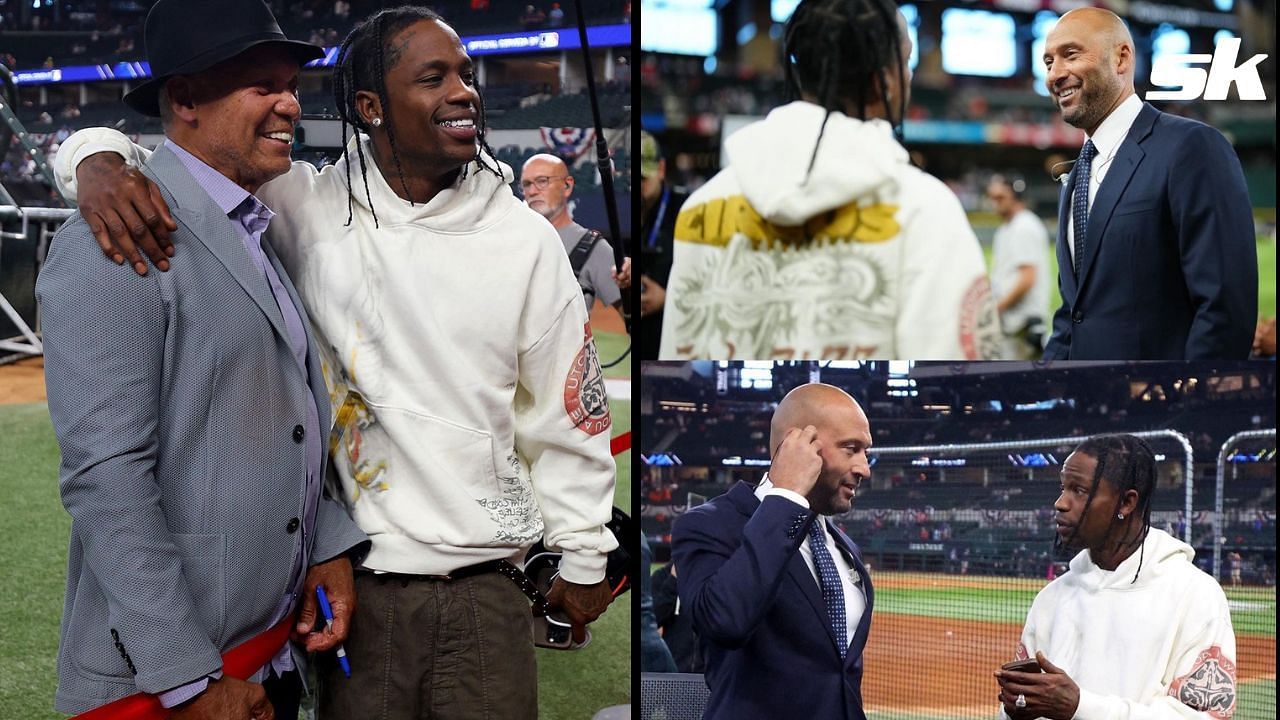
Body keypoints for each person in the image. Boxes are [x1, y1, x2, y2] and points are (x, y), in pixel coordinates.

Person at [54, 7, 619, 719]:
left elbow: (566, 410)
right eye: (434, 76)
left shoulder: (525, 241)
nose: (464, 92)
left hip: (487, 586)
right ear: (369, 106)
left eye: (468, 76)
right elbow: (184, 167)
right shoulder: (302, 207)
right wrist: (93, 158)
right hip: (360, 586)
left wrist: (586, 549)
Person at [35, 0, 370, 717]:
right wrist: (188, 682)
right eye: (261, 84)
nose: (290, 102)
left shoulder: (252, 221)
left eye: (290, 83)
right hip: (168, 681)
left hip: (268, 649)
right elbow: (106, 477)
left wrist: (327, 543)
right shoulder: (117, 235)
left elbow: (285, 411)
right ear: (184, 99)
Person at [658, 0, 999, 360]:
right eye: (907, 60)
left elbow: (677, 364)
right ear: (884, 79)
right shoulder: (925, 209)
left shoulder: (700, 207)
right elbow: (953, 375)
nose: (911, 76)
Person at [1041, 8, 1256, 360]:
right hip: (1092, 407)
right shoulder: (1076, 176)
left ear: (1121, 58)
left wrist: (1184, 407)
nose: (1055, 74)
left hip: (1164, 408)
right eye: (1049, 62)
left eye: (1071, 54)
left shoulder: (1191, 147)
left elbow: (1225, 310)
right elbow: (1072, 318)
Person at [996, 435, 1237, 719]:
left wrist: (1079, 707)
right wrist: (1017, 711)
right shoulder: (1052, 597)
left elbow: (1204, 716)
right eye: (1063, 488)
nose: (1060, 503)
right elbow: (1018, 706)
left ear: (1126, 502)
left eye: (1079, 491)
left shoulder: (1195, 594)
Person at [672, 383, 875, 720]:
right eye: (850, 449)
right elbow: (725, 622)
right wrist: (786, 497)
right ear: (800, 444)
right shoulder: (707, 524)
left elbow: (840, 675)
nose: (864, 468)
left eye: (866, 452)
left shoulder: (844, 547)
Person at [520, 152, 623, 315]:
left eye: (542, 181)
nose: (532, 191)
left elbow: (633, 314)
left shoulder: (594, 247)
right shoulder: (511, 240)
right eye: (526, 184)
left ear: (567, 186)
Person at [987, 175, 1050, 359]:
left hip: (1023, 325)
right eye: (992, 198)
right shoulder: (1007, 227)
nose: (994, 203)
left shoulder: (1024, 226)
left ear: (1016, 196)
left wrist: (996, 308)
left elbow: (1027, 278)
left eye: (1000, 198)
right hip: (1012, 323)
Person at [637, 130, 685, 360]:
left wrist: (669, 298)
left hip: (674, 338)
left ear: (662, 170)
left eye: (643, 179)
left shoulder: (688, 212)